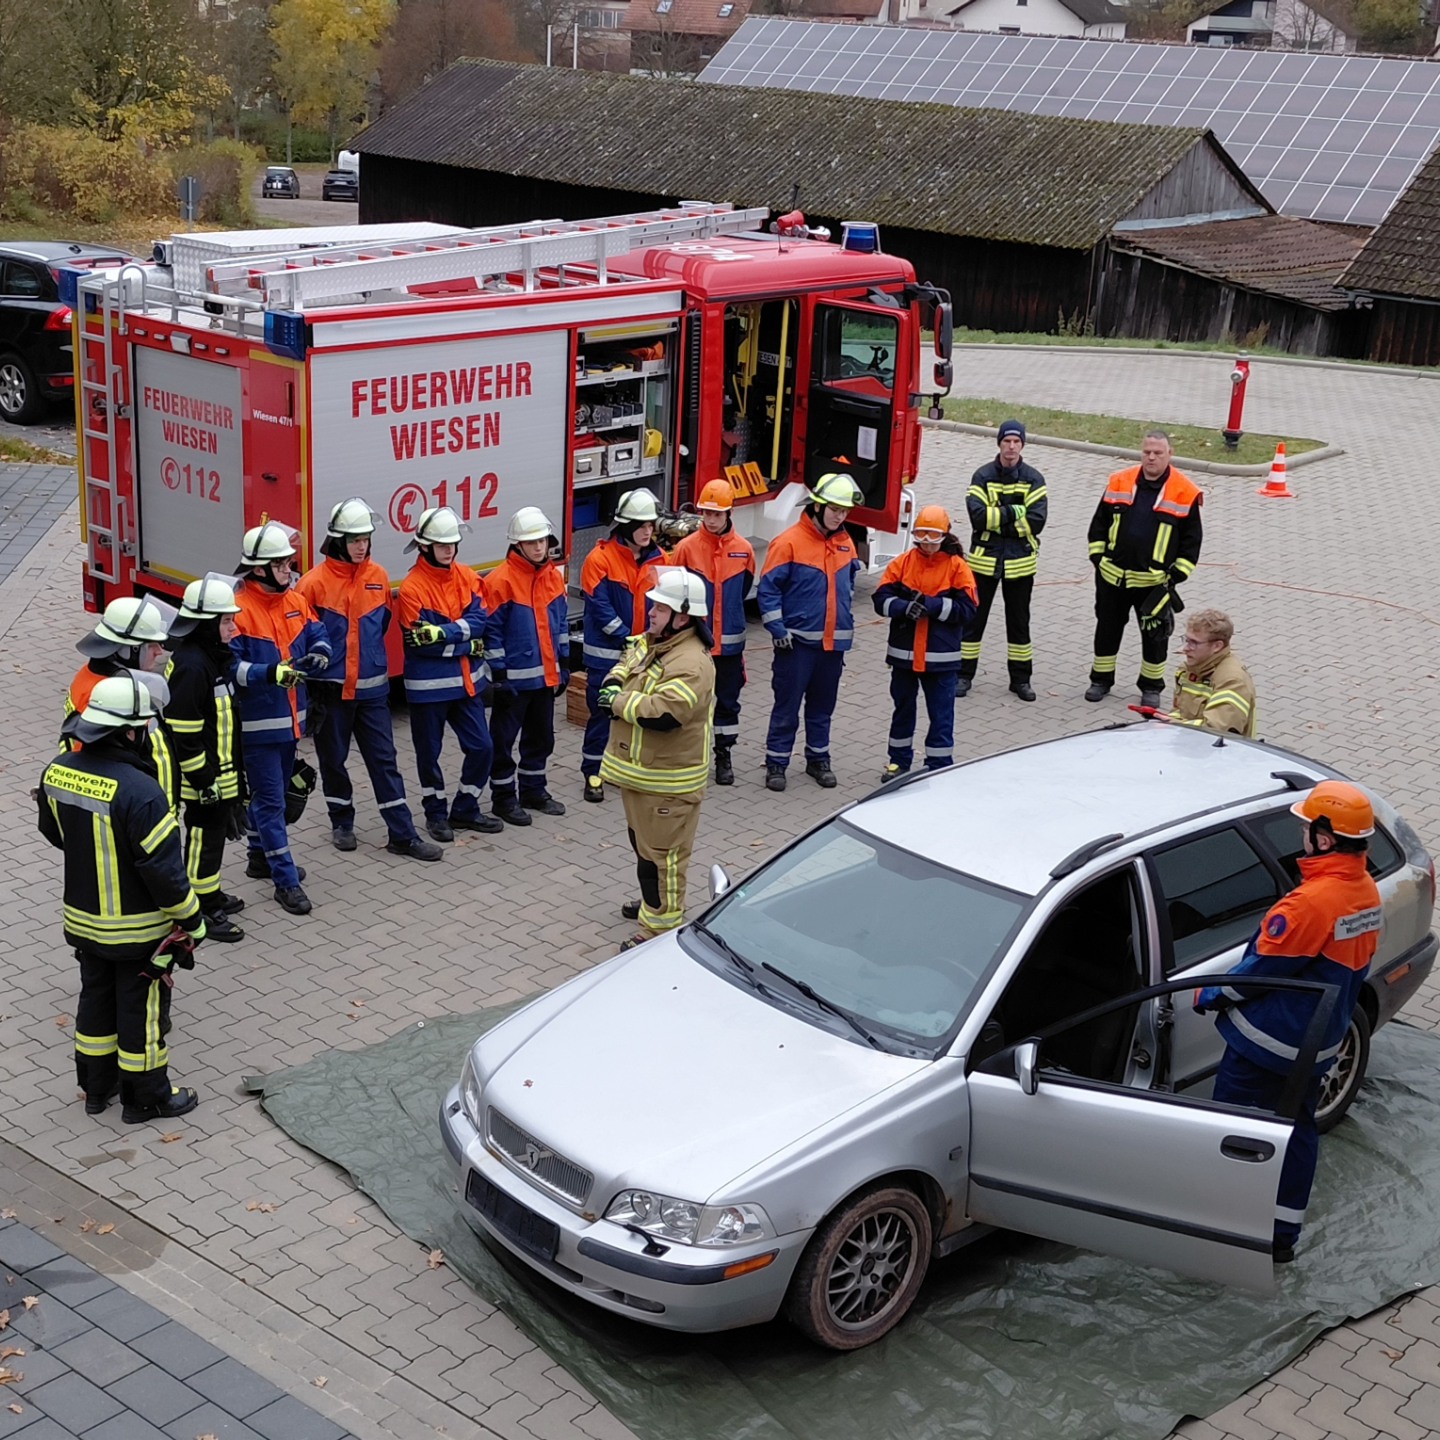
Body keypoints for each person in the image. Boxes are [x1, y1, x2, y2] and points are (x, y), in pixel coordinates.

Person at [1195, 781, 1381, 1260]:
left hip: (1267, 1045)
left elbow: (1259, 973)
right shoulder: (1364, 890)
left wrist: (1209, 993)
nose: (1301, 836)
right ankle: (1281, 1236)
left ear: (1324, 838)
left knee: (1234, 1137)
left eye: (1306, 828)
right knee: (1297, 1133)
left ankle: (1225, 1233)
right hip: (1318, 1042)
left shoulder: (1311, 902)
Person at [37, 674, 208, 1124]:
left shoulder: (57, 770)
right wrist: (194, 921)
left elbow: (54, 833)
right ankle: (146, 1099)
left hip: (82, 922)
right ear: (130, 732)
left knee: (95, 1000)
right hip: (138, 931)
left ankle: (97, 1089)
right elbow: (165, 874)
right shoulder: (141, 791)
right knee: (141, 1013)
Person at [295, 498, 442, 862]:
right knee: (333, 760)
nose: (361, 546)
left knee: (384, 761)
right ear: (338, 541)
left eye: (365, 539)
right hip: (330, 691)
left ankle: (402, 834)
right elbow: (301, 638)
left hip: (373, 691)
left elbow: (383, 624)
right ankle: (342, 823)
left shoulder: (378, 576)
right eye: (354, 539)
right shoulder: (312, 584)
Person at [597, 568, 716, 946]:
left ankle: (659, 930)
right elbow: (626, 662)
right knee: (647, 852)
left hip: (668, 783)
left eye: (660, 608)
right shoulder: (656, 643)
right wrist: (614, 682)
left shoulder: (691, 663)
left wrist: (616, 701)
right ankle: (654, 905)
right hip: (643, 776)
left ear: (682, 617)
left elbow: (666, 714)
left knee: (663, 860)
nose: (651, 612)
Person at [232, 522, 332, 916]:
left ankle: (259, 856)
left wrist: (321, 651)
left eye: (288, 562)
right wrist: (269, 673)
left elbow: (317, 630)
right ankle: (285, 881)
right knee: (273, 802)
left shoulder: (294, 599)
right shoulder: (238, 610)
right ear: (259, 569)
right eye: (280, 564)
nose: (288, 569)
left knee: (271, 797)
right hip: (258, 727)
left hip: (291, 722)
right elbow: (231, 668)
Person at [397, 507, 504, 841]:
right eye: (443, 545)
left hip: (467, 685)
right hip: (428, 690)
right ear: (424, 546)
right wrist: (466, 645)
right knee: (429, 755)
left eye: (453, 544)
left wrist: (444, 633)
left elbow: (480, 622)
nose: (450, 550)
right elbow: (419, 645)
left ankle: (465, 808)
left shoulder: (468, 577)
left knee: (482, 747)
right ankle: (435, 814)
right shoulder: (411, 588)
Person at [758, 472, 863, 792]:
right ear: (818, 506)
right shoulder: (788, 542)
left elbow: (849, 587)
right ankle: (777, 763)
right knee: (787, 707)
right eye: (835, 509)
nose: (840, 516)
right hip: (796, 645)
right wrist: (777, 628)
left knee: (822, 707)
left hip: (832, 646)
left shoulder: (845, 542)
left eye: (844, 511)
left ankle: (818, 759)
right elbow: (768, 590)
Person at [1086, 430, 1203, 707]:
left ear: (1170, 454)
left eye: (1158, 453)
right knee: (1107, 630)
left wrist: (1176, 575)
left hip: (1153, 584)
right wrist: (1098, 558)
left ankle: (1151, 686)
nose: (1151, 457)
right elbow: (1099, 524)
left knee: (1155, 636)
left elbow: (1191, 541)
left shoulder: (1184, 491)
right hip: (1112, 578)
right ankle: (1101, 680)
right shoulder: (1120, 481)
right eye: (1147, 452)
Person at [165, 574, 247, 942]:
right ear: (206, 624)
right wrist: (204, 782)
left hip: (219, 772)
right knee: (203, 841)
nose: (233, 628)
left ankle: (210, 894)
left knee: (212, 841)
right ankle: (200, 910)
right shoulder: (193, 666)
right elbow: (185, 734)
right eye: (226, 621)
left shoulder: (208, 657)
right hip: (203, 777)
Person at [873, 506, 978, 780]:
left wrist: (933, 606)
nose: (927, 543)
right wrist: (904, 608)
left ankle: (939, 765)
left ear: (944, 535)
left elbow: (968, 610)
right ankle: (898, 762)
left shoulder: (957, 567)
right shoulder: (903, 563)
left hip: (940, 659)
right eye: (922, 535)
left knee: (941, 715)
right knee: (903, 709)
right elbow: (880, 600)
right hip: (904, 657)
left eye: (933, 536)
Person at [579, 489, 668, 804]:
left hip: (643, 654)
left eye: (651, 525)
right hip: (607, 658)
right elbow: (599, 607)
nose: (647, 531)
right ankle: (594, 774)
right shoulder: (599, 559)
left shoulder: (661, 559)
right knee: (603, 714)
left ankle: (627, 769)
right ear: (626, 526)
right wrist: (629, 638)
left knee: (637, 713)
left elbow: (666, 604)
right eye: (641, 525)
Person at [483, 507, 570, 827]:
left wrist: (563, 663)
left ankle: (534, 791)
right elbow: (491, 633)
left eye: (542, 541)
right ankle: (503, 798)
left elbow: (560, 624)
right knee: (502, 742)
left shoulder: (552, 577)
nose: (538, 547)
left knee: (541, 738)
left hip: (544, 679)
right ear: (517, 544)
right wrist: (499, 676)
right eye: (531, 542)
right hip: (513, 683)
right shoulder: (499, 581)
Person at [672, 479, 755, 786]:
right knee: (690, 702)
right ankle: (687, 757)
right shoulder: (686, 548)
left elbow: (744, 589)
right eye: (706, 512)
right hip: (695, 645)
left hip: (730, 648)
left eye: (716, 514)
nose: (710, 519)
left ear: (729, 513)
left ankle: (723, 755)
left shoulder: (744, 550)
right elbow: (674, 594)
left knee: (728, 703)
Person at [64, 595, 181, 809]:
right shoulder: (108, 697)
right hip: (135, 811)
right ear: (127, 650)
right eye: (151, 645)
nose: (160, 651)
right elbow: (88, 762)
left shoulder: (98, 680)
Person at [963, 419, 1048, 702]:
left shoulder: (1034, 479)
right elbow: (978, 517)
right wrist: (1015, 512)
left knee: (1019, 624)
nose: (1011, 447)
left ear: (1022, 445)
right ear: (999, 443)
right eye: (1007, 441)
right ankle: (963, 675)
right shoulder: (982, 476)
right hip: (984, 563)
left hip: (1020, 564)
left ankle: (1021, 680)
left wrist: (997, 517)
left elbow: (1036, 522)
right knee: (973, 621)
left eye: (1016, 442)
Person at [1165, 609, 1257, 736]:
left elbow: (1215, 731)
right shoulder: (1191, 668)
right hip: (1188, 742)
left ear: (1217, 646)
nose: (1185, 648)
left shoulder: (1233, 681)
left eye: (1194, 643)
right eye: (1186, 640)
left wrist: (1171, 725)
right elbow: (1179, 711)